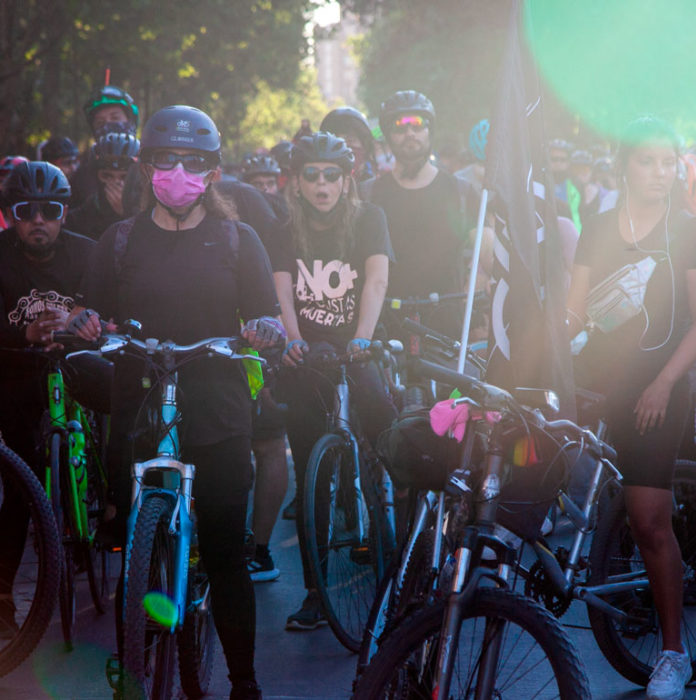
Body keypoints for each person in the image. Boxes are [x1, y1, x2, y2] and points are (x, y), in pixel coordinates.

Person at [71, 105, 282, 700]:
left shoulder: (239, 239)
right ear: (146, 168)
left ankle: (243, 681)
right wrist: (83, 322)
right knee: (134, 547)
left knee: (224, 550)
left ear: (213, 172)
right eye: (167, 159)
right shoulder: (119, 241)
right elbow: (89, 309)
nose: (179, 172)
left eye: (193, 162)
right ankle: (132, 668)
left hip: (219, 412)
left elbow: (266, 312)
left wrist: (267, 329)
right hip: (138, 409)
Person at [566, 117, 696, 700]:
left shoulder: (691, 233)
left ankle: (673, 653)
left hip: (659, 388)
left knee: (649, 518)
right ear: (623, 166)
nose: (660, 172)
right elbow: (575, 310)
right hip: (596, 382)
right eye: (647, 161)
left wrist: (663, 382)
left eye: (668, 161)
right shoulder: (597, 226)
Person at [272, 131, 396, 630]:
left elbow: (376, 280)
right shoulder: (285, 229)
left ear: (347, 180)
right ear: (297, 183)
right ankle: (315, 593)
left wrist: (362, 337)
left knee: (388, 435)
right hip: (309, 357)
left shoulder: (369, 218)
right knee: (311, 476)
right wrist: (293, 340)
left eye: (331, 176)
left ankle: (404, 551)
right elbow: (282, 292)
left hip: (357, 346)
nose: (321, 185)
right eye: (312, 176)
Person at [0, 162, 96, 636]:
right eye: (26, 211)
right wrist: (25, 334)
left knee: (126, 411)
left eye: (50, 211)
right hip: (16, 372)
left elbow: (115, 308)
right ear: (10, 216)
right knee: (21, 483)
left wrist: (90, 320)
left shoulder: (89, 253)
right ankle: (2, 596)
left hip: (77, 366)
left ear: (64, 214)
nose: (38, 220)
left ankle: (113, 513)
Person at [370, 89, 467, 336]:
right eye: (399, 126)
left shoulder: (461, 192)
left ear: (429, 131)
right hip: (383, 330)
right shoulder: (368, 194)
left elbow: (486, 255)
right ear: (388, 136)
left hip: (448, 332)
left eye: (417, 124)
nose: (410, 133)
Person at [70, 84, 139, 208]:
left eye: (115, 118)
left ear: (131, 122)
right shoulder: (84, 174)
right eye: (100, 122)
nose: (108, 125)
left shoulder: (150, 165)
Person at [66, 132, 140, 240]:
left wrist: (126, 214)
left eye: (124, 177)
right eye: (107, 176)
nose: (115, 182)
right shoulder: (81, 216)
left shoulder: (151, 211)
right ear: (96, 176)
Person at [320, 106, 377, 187]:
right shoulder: (319, 183)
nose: (345, 147)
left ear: (365, 146)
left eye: (351, 140)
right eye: (337, 143)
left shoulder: (376, 185)